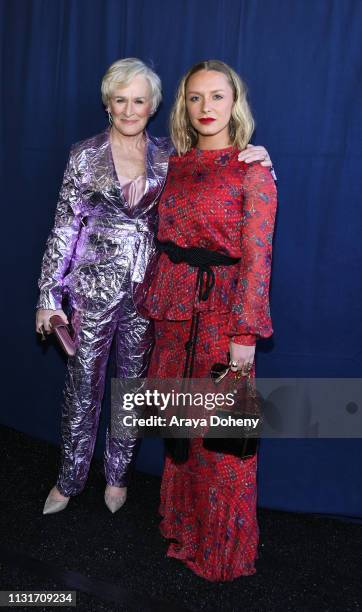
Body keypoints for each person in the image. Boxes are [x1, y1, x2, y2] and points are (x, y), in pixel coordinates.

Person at [36, 57, 274, 516]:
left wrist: (264, 162)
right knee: (82, 388)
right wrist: (49, 297)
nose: (129, 110)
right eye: (120, 100)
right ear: (108, 105)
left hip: (151, 292)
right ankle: (69, 479)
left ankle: (119, 477)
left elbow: (223, 186)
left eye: (138, 101)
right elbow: (64, 228)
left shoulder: (171, 157)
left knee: (135, 388)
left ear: (153, 106)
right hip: (91, 292)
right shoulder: (84, 155)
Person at [144, 60, 277, 581]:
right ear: (184, 105)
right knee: (179, 431)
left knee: (222, 441)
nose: (206, 108)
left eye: (216, 97)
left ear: (234, 102)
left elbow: (258, 258)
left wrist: (245, 334)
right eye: (195, 98)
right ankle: (183, 526)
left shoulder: (254, 169)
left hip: (224, 319)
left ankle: (223, 549)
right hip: (175, 314)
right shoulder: (173, 164)